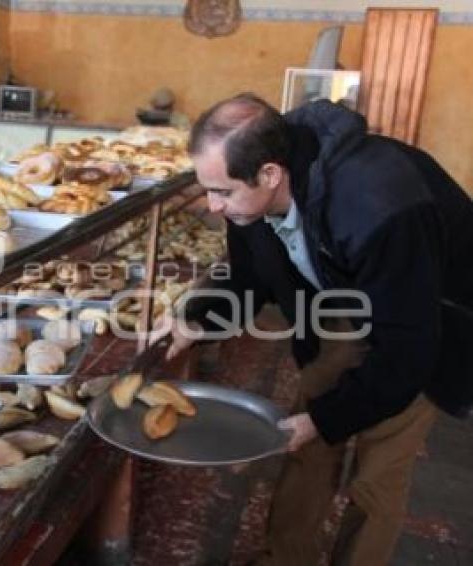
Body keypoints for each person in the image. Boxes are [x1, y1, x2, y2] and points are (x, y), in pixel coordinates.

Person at [151, 93, 473, 565]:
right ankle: (285, 557)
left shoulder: (379, 206)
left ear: (270, 175)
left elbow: (407, 349)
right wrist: (197, 320)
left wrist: (327, 418)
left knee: (376, 475)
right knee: (306, 444)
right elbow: (248, 276)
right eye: (209, 190)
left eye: (222, 192)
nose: (214, 207)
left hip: (433, 316)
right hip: (346, 295)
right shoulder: (252, 192)